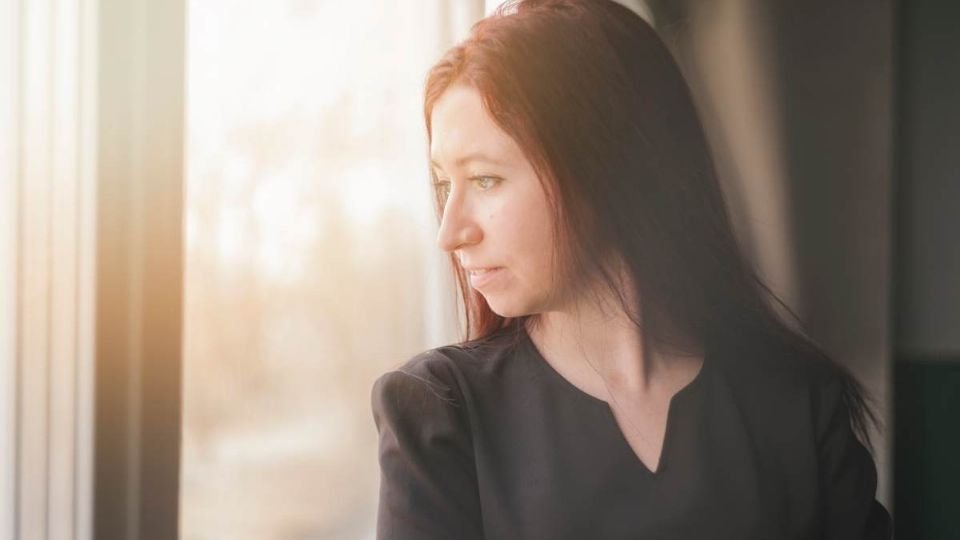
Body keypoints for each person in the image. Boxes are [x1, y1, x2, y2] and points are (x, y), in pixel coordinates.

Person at [370, 0, 893, 538]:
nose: (450, 232)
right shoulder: (437, 414)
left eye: (484, 180)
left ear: (606, 170)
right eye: (443, 185)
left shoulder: (798, 405)